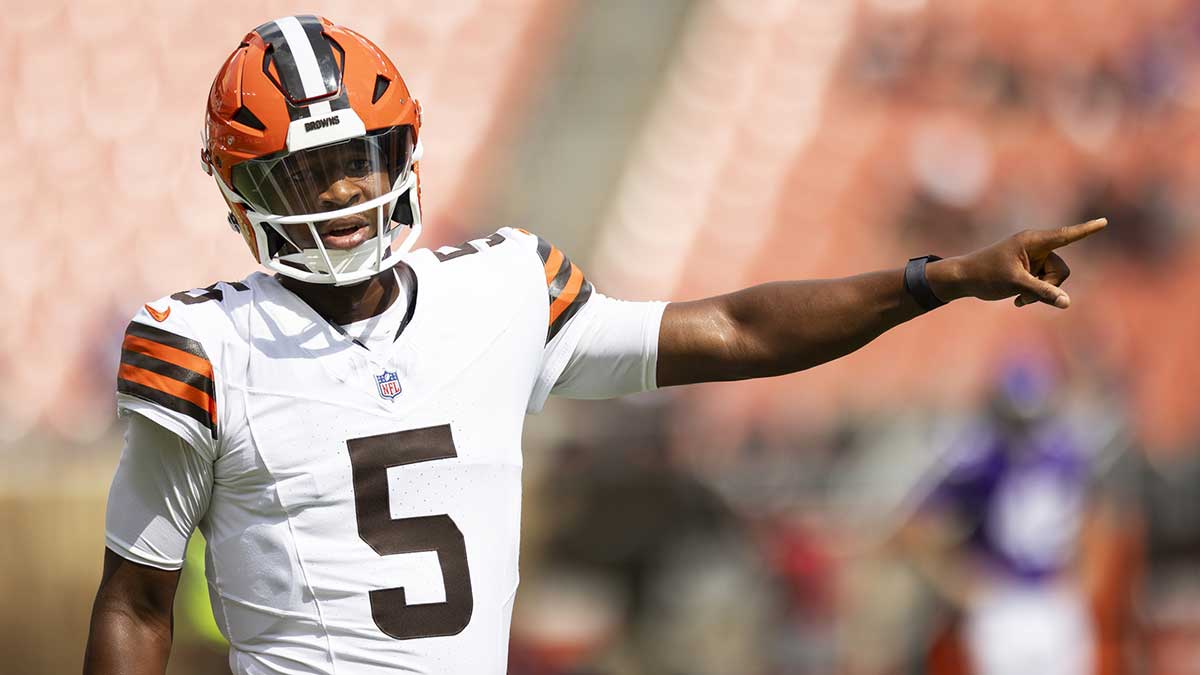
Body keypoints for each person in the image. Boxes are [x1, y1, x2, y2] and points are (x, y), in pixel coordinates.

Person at [82, 15, 1106, 675]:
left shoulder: (498, 290)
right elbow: (136, 599)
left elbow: (738, 329)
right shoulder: (204, 347)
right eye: (303, 176)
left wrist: (939, 278)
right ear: (242, 192)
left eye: (356, 161)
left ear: (401, 152)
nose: (343, 195)